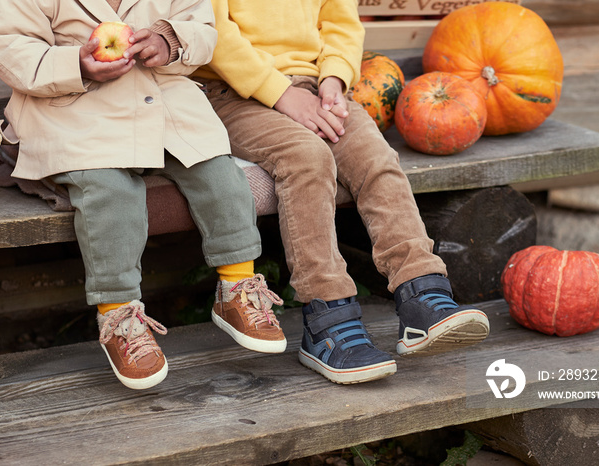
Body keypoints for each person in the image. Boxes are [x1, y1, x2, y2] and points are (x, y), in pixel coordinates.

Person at [0, 0, 286, 391]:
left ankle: (237, 287)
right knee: (110, 192)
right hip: (76, 110)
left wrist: (169, 40)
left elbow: (203, 26)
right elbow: (10, 47)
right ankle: (118, 315)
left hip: (159, 102)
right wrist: (75, 61)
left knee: (219, 173)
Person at [192, 0, 491, 384]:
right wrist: (282, 94)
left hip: (316, 87)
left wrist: (334, 80)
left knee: (375, 159)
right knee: (308, 159)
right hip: (232, 93)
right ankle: (326, 320)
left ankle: (421, 293)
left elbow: (341, 23)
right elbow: (214, 34)